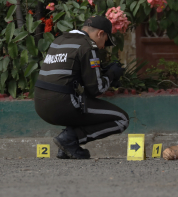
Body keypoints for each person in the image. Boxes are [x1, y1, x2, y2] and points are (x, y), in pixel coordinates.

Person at [34, 16, 128, 159]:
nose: (103, 46)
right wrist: (112, 74)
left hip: (40, 105)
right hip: (61, 104)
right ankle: (69, 139)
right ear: (100, 33)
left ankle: (67, 146)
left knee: (80, 104)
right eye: (106, 41)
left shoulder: (59, 40)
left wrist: (103, 71)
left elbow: (69, 74)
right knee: (122, 119)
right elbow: (96, 89)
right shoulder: (88, 46)